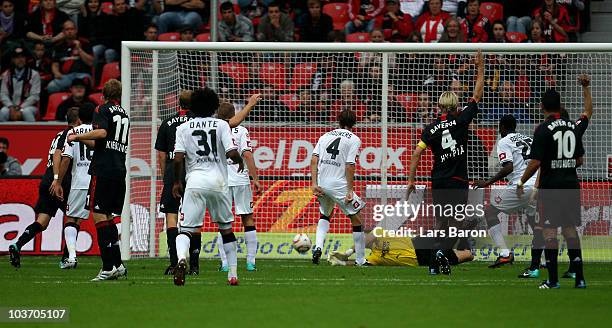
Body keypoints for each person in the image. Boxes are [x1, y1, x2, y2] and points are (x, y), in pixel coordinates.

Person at [406, 49, 484, 275]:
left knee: (440, 222)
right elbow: (477, 95)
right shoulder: (462, 120)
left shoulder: (430, 129)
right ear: (456, 106)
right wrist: (479, 67)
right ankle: (442, 254)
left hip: (438, 180)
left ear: (439, 107)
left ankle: (434, 264)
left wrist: (411, 180)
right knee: (456, 223)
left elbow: (416, 153)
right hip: (458, 179)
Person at [518, 74, 592, 282]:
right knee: (570, 230)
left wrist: (522, 181)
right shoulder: (573, 127)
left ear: (542, 106)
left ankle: (552, 281)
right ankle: (580, 279)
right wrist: (586, 88)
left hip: (551, 187)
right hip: (570, 184)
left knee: (549, 231)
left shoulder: (542, 130)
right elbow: (579, 160)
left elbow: (535, 163)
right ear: (560, 106)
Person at [171, 87, 245, 286]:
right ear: (214, 106)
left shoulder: (183, 128)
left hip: (194, 181)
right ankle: (232, 274)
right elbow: (231, 152)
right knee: (226, 229)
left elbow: (178, 158)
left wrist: (177, 181)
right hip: (218, 182)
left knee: (185, 229)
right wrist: (240, 161)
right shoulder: (221, 125)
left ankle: (180, 260)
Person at [67, 79, 128, 281]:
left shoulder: (102, 109)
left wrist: (76, 135)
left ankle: (107, 267)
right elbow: (100, 142)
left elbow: (101, 133)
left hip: (103, 169)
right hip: (119, 169)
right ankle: (118, 265)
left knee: (99, 216)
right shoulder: (124, 114)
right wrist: (80, 137)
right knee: (109, 217)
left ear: (103, 94)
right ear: (119, 94)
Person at [8, 108, 78, 268]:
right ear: (78, 120)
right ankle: (66, 259)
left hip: (47, 178)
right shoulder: (72, 134)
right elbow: (59, 155)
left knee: (42, 222)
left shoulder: (58, 134)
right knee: (74, 219)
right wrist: (57, 180)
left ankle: (17, 245)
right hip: (61, 179)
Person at [473, 115, 537, 268]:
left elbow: (508, 167)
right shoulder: (528, 139)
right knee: (535, 223)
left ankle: (504, 254)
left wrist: (487, 182)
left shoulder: (504, 141)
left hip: (521, 185)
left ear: (501, 127)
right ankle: (542, 261)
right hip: (536, 186)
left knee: (490, 212)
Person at [310, 110, 367, 266]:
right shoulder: (354, 139)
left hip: (322, 182)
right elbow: (350, 165)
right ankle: (361, 260)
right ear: (354, 123)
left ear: (339, 121)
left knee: (325, 215)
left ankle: (318, 247)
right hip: (338, 184)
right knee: (357, 219)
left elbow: (314, 160)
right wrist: (349, 190)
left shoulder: (325, 136)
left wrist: (314, 183)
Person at [216, 101, 263, 272]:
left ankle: (225, 263)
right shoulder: (242, 130)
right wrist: (255, 178)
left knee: (224, 222)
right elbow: (248, 155)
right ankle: (251, 262)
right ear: (234, 114)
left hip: (221, 180)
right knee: (247, 219)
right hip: (241, 179)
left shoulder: (215, 129)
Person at [59, 105, 94, 269]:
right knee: (106, 219)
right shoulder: (99, 130)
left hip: (80, 182)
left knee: (71, 218)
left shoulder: (73, 132)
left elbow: (66, 158)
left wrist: (57, 181)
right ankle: (114, 261)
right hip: (97, 180)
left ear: (79, 117)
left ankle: (71, 257)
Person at [328, 232, 474, 267]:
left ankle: (463, 233)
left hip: (417, 242)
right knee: (468, 255)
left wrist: (347, 253)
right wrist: (341, 262)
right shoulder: (375, 258)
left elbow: (367, 239)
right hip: (419, 259)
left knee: (445, 234)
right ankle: (464, 244)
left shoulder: (379, 234)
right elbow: (360, 263)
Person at [47, 20, 94, 93]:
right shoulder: (59, 46)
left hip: (82, 75)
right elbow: (55, 64)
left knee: (85, 82)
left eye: (72, 29)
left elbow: (90, 62)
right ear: (63, 31)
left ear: (76, 30)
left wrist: (79, 49)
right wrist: (56, 73)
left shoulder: (85, 42)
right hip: (66, 77)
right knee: (51, 86)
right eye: (67, 29)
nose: (69, 31)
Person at [0, 47, 41, 122]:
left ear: (26, 59)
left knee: (26, 112)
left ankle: (32, 133)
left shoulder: (34, 74)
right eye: (17, 58)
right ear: (13, 60)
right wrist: (11, 107)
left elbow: (35, 96)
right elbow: (3, 94)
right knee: (2, 112)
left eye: (22, 57)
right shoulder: (6, 74)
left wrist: (20, 108)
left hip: (28, 107)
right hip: (11, 106)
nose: (20, 60)